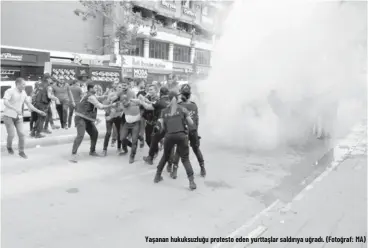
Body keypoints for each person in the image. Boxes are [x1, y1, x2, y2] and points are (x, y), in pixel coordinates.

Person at [150, 91, 197, 190]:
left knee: (165, 157)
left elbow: (161, 126)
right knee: (185, 159)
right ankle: (191, 181)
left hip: (169, 136)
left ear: (168, 99)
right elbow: (191, 123)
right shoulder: (182, 109)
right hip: (181, 136)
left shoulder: (164, 111)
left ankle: (157, 176)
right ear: (177, 98)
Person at [3, 78, 47, 158]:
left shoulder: (23, 93)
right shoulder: (10, 91)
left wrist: (39, 111)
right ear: (18, 84)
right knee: (11, 135)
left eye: (25, 84)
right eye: (23, 84)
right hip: (8, 116)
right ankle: (9, 147)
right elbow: (5, 102)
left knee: (22, 134)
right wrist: (15, 109)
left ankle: (21, 151)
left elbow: (29, 104)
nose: (25, 86)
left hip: (19, 117)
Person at [170, 84, 206, 179]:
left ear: (181, 95)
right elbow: (197, 120)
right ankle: (202, 168)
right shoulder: (194, 106)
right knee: (196, 149)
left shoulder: (179, 106)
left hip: (183, 132)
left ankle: (174, 171)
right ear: (189, 95)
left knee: (178, 151)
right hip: (193, 131)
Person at [70, 84, 111, 163]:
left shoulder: (90, 95)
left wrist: (106, 94)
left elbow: (99, 98)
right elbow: (100, 106)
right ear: (90, 89)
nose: (97, 89)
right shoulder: (91, 96)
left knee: (94, 133)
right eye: (95, 88)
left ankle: (92, 151)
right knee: (80, 135)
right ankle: (73, 154)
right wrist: (111, 105)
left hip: (86, 118)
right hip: (81, 118)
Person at [142, 87, 171, 165]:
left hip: (161, 124)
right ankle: (170, 164)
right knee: (170, 145)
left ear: (160, 93)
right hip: (171, 125)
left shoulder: (160, 102)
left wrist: (141, 102)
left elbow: (148, 107)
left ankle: (150, 158)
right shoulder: (171, 101)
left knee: (154, 139)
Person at [102, 83, 124, 156]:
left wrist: (122, 111)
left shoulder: (123, 96)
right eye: (119, 87)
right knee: (108, 132)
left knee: (119, 132)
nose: (120, 88)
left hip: (117, 116)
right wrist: (116, 96)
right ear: (116, 88)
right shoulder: (111, 94)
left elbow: (124, 106)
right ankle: (104, 149)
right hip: (109, 114)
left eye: (121, 87)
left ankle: (119, 148)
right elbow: (108, 101)